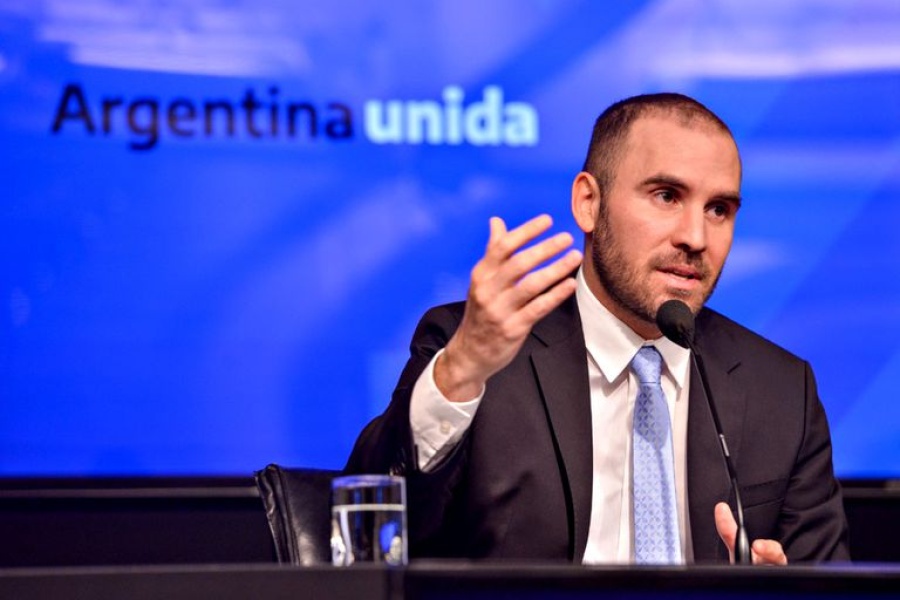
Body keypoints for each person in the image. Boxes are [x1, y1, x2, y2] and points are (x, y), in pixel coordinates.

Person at [345, 93, 850, 564]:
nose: (696, 237)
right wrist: (459, 372)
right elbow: (366, 537)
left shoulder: (782, 392)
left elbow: (830, 586)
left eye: (719, 209)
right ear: (589, 202)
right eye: (666, 196)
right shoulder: (479, 352)